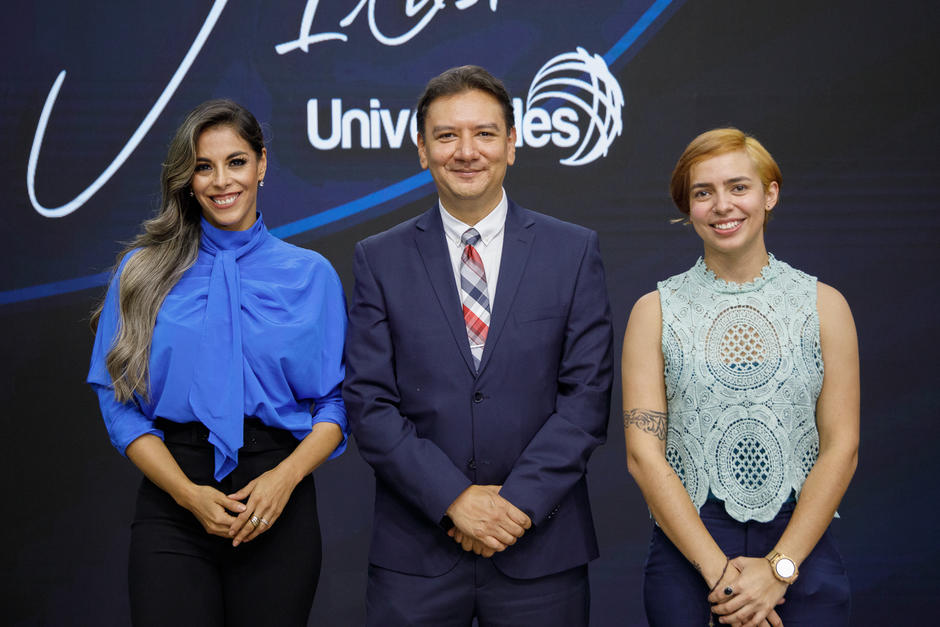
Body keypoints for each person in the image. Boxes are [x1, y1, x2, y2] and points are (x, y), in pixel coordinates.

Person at [343, 65, 614, 626]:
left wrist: (511, 508)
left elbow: (586, 400)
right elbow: (369, 403)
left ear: (512, 144)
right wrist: (455, 500)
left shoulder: (573, 251)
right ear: (422, 150)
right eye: (446, 136)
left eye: (484, 134)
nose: (466, 151)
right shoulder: (378, 257)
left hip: (540, 549)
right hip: (416, 554)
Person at [88, 99, 348, 627]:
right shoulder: (142, 272)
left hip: (277, 496)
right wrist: (187, 495)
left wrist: (285, 477)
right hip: (174, 497)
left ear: (262, 164)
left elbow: (335, 403)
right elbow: (119, 405)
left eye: (236, 161)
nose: (220, 181)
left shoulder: (312, 274)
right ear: (186, 178)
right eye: (203, 166)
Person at [622, 128, 859, 626]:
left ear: (769, 194)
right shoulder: (654, 312)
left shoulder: (825, 306)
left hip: (802, 550)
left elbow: (843, 447)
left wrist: (780, 568)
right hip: (689, 559)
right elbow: (644, 455)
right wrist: (721, 578)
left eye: (738, 187)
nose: (722, 205)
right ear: (688, 209)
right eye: (703, 193)